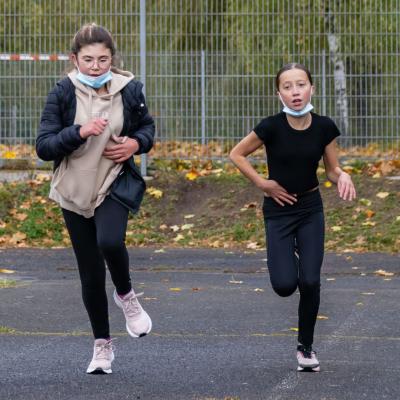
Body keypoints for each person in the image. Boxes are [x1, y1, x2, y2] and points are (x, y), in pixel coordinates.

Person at [36, 23, 155, 374]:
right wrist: (79, 132)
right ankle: (102, 346)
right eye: (88, 59)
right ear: (74, 59)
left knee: (110, 241)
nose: (95, 66)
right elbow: (44, 146)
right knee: (90, 272)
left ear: (112, 59)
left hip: (113, 183)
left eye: (102, 59)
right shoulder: (62, 92)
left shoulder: (129, 90)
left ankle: (126, 295)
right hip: (74, 189)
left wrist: (135, 144)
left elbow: (147, 129)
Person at [229, 63, 356, 372]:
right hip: (279, 211)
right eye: (287, 87)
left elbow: (331, 169)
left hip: (310, 209)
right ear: (279, 94)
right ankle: (290, 253)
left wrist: (342, 175)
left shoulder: (324, 127)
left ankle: (305, 348)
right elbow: (236, 154)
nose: (295, 91)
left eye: (301, 85)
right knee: (285, 285)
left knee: (310, 281)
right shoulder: (271, 127)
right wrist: (263, 184)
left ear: (312, 88)